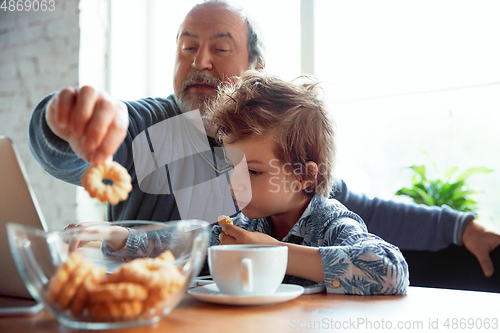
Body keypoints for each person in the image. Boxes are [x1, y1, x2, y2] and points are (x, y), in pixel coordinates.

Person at [28, 1, 500, 290]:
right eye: (187, 46)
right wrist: (66, 123)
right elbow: (183, 239)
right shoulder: (159, 125)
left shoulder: (285, 164)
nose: (201, 61)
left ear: (255, 66)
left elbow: (362, 217)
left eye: (221, 46)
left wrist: (461, 227)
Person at [204, 70, 409, 294]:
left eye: (253, 171)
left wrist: (275, 252)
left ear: (303, 176)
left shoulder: (329, 224)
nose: (233, 184)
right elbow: (183, 249)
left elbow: (391, 271)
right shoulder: (242, 229)